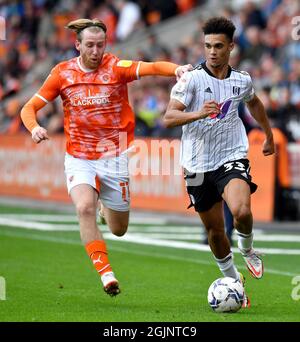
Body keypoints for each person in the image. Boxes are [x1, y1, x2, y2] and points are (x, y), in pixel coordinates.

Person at [20, 18, 192, 297]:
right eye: (90, 45)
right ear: (77, 45)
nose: (96, 51)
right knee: (84, 207)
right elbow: (29, 107)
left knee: (119, 229)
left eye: (100, 45)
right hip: (79, 157)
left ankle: (106, 210)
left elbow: (151, 68)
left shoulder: (115, 68)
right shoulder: (62, 74)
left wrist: (178, 69)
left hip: (115, 156)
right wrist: (35, 127)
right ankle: (106, 273)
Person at [163, 17, 275, 306]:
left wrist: (268, 134)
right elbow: (169, 117)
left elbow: (254, 103)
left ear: (230, 48)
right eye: (208, 46)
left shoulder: (242, 80)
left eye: (218, 46)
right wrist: (199, 113)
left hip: (231, 155)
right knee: (214, 231)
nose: (212, 52)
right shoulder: (190, 80)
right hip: (197, 164)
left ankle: (248, 248)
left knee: (241, 211)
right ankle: (235, 282)